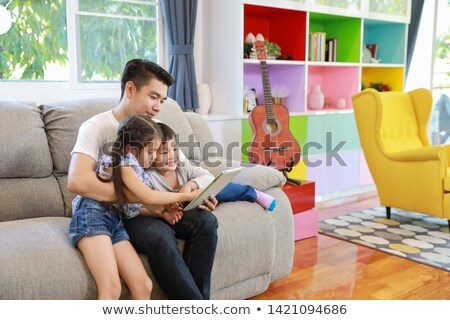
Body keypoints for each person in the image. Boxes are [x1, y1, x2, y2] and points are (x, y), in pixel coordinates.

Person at [68, 59, 218, 299]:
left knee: (206, 221)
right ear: (130, 89)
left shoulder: (157, 129)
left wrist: (198, 190)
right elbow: (77, 182)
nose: (158, 107)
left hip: (151, 205)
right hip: (122, 212)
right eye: (153, 97)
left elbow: (189, 168)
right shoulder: (96, 127)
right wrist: (137, 198)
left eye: (162, 100)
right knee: (160, 236)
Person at [69, 115, 201, 300]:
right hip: (92, 217)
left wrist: (162, 212)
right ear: (132, 149)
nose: (155, 157)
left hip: (115, 221)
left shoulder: (138, 170)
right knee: (111, 287)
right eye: (151, 151)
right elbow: (148, 196)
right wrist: (186, 196)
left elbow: (138, 204)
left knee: (144, 286)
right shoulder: (122, 162)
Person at [150, 123, 277, 212]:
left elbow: (208, 176)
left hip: (194, 197)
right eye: (165, 152)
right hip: (179, 209)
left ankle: (252, 193)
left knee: (220, 187)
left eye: (175, 149)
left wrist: (190, 185)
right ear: (151, 154)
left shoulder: (182, 166)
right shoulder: (150, 177)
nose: (172, 156)